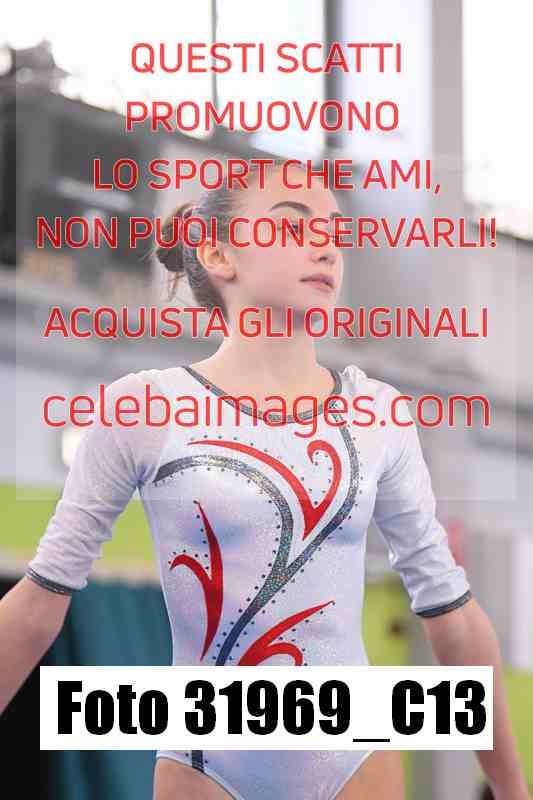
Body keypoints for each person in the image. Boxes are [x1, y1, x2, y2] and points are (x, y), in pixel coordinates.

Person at [0, 161, 529, 800]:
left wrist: (513, 789)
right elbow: (38, 601)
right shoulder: (146, 409)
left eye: (334, 231)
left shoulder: (376, 413)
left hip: (353, 755)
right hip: (207, 762)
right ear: (219, 253)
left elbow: (450, 609)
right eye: (293, 225)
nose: (326, 247)